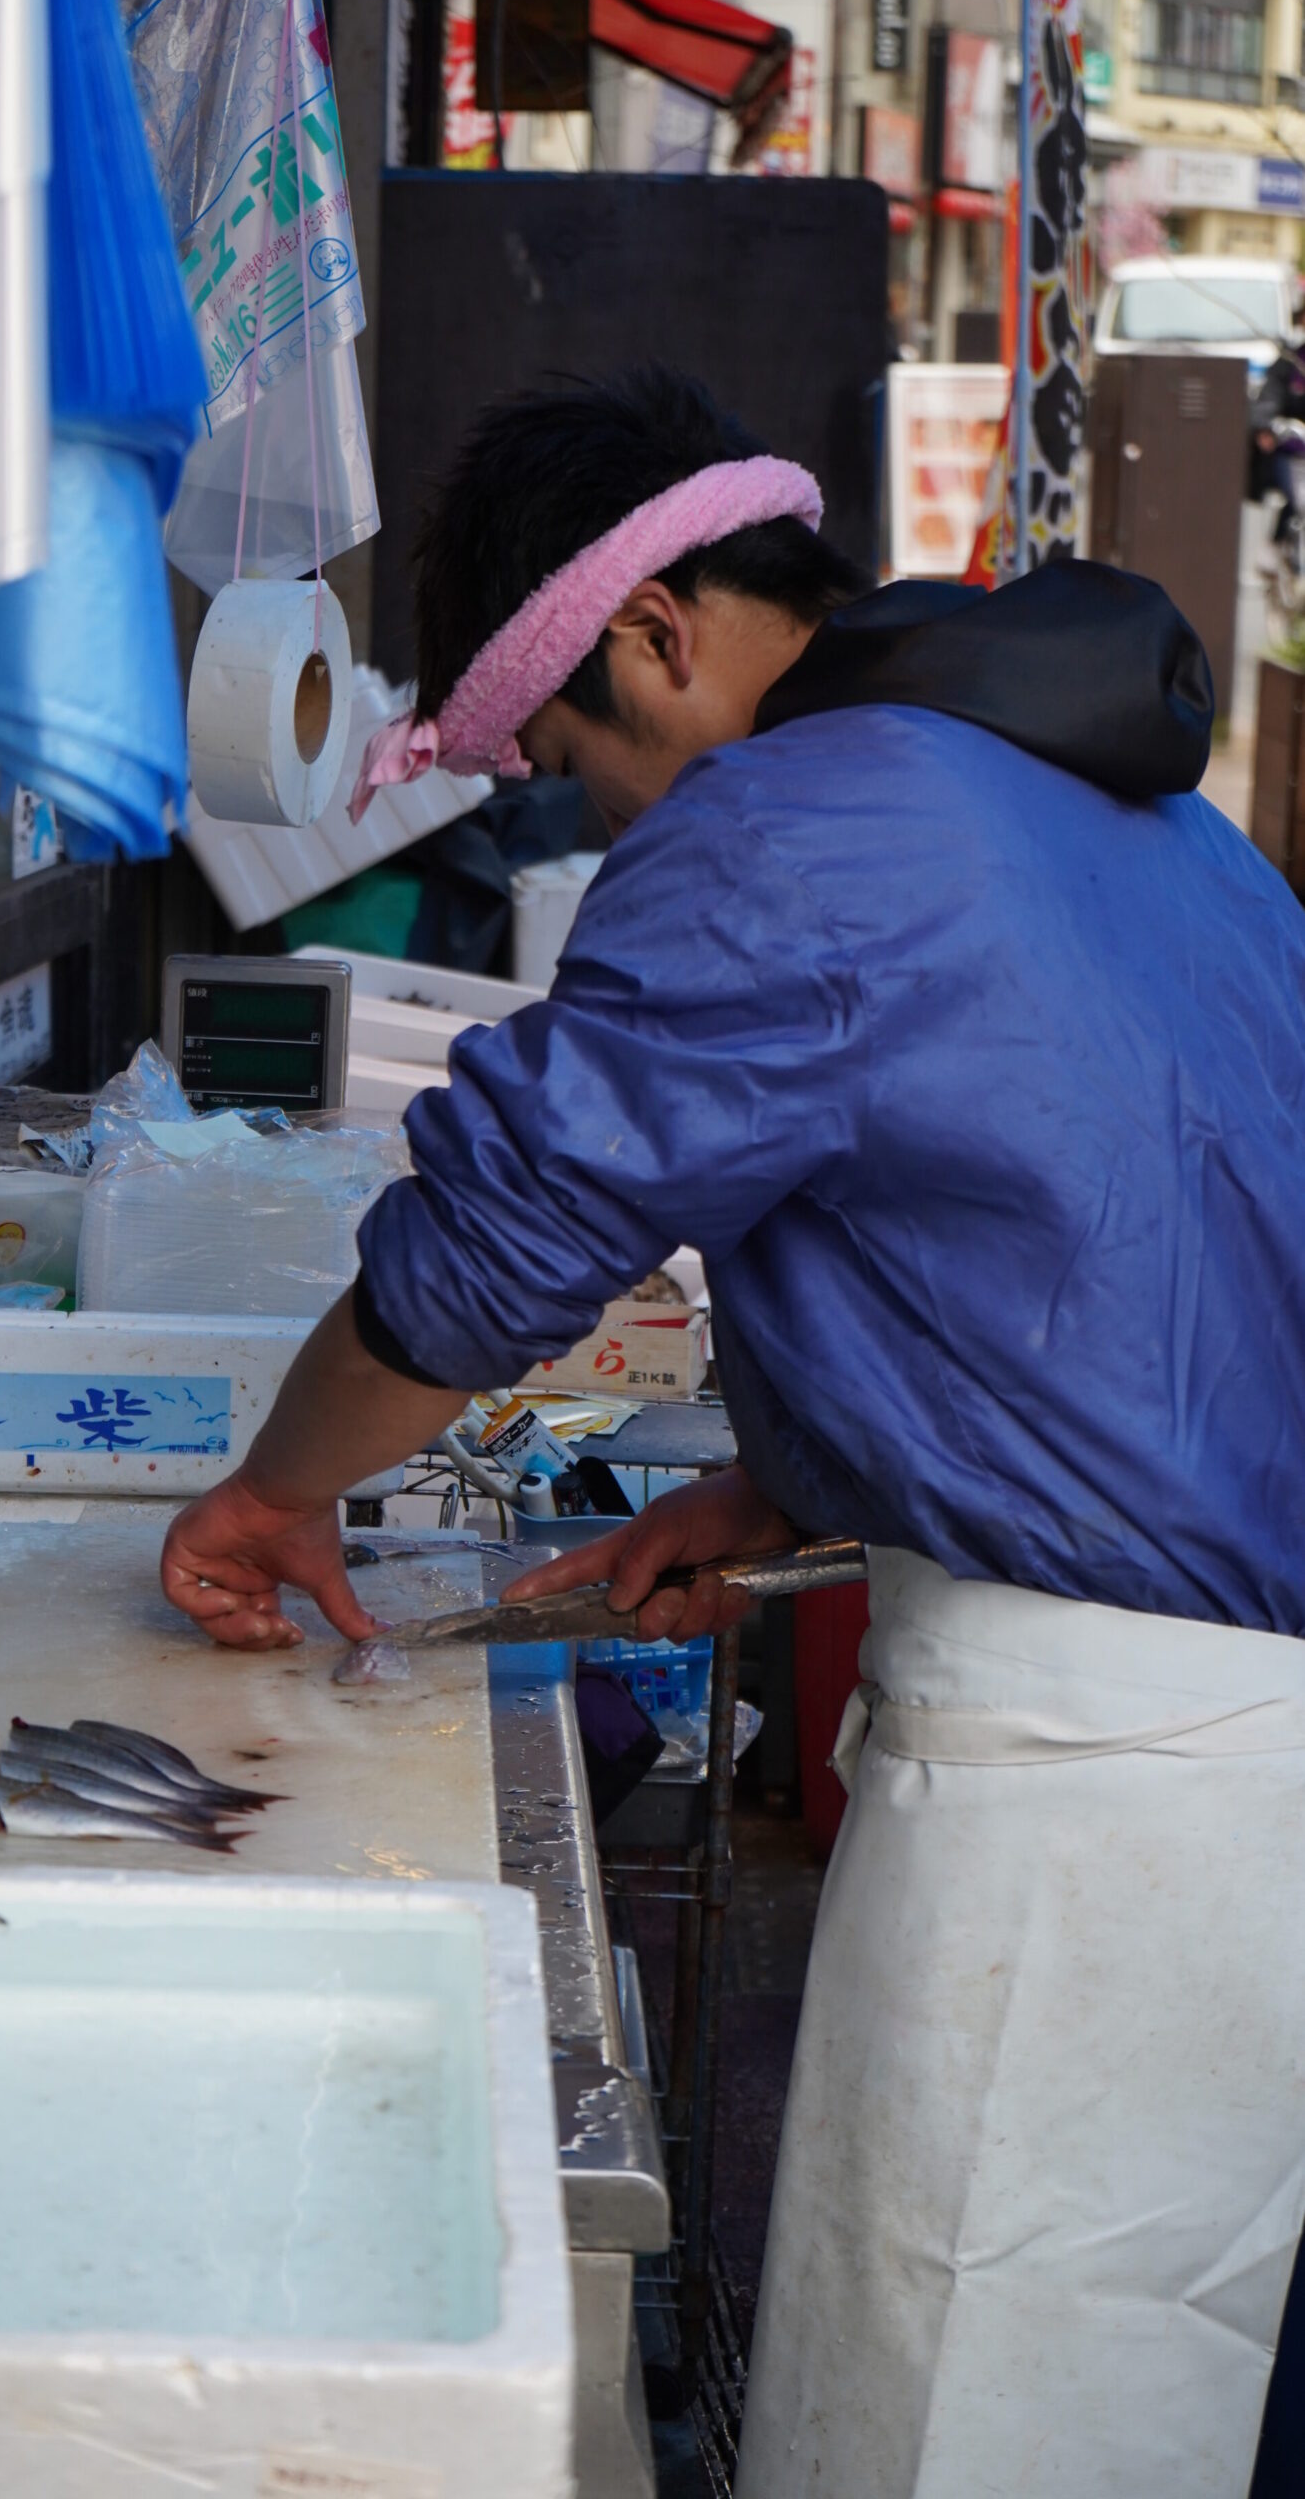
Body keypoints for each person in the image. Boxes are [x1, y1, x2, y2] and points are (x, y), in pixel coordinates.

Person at [162, 366, 1305, 2498]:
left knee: (968, 2416)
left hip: (1101, 1793)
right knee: (1137, 2392)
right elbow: (1111, 1241)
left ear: (659, 629)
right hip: (1248, 1760)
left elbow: (487, 1254)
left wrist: (272, 1489)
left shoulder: (780, 833)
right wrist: (793, 1479)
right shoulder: (1118, 806)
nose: (598, 821)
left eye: (579, 759)